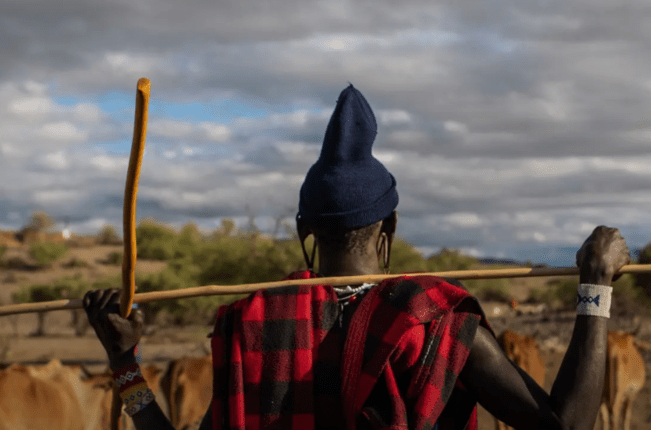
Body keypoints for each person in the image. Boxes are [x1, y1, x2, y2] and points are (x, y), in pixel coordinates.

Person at [84, 85, 631, 430]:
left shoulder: (252, 326)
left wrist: (125, 364)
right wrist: (596, 285)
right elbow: (566, 423)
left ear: (305, 231)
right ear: (388, 227)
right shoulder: (434, 322)